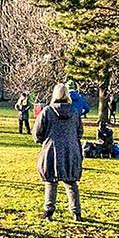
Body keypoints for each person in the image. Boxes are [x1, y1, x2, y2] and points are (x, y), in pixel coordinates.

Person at [34, 83, 84, 221]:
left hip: (52, 149)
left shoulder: (47, 111)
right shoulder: (75, 112)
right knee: (71, 182)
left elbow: (37, 132)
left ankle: (49, 211)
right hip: (71, 150)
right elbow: (80, 131)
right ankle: (76, 212)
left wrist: (43, 141)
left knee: (51, 181)